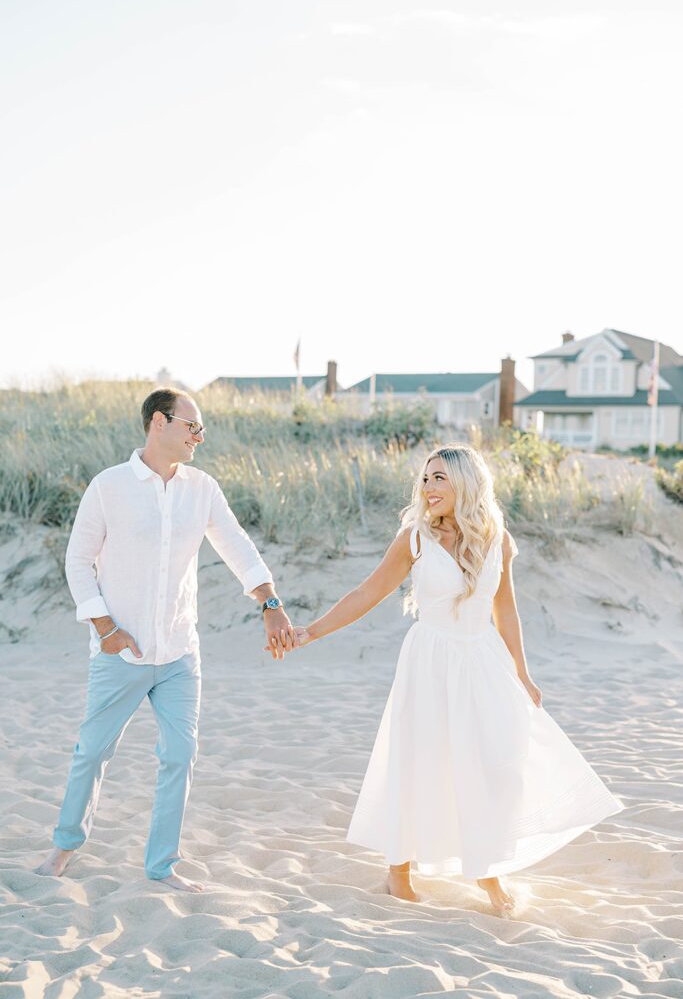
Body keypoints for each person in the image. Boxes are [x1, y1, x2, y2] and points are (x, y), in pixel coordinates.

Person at [293, 444, 624, 915]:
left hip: (482, 660)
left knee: (492, 765)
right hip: (429, 661)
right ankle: (399, 871)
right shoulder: (414, 538)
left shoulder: (496, 539)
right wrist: (311, 631)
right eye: (426, 478)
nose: (428, 488)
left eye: (440, 479)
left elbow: (504, 608)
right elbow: (368, 592)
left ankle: (487, 869)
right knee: (418, 761)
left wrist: (522, 672)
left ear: (467, 484)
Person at [35, 387, 297, 892]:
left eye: (201, 429)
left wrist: (270, 603)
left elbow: (238, 547)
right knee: (92, 752)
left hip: (179, 652)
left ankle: (161, 865)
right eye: (192, 426)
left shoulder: (202, 489)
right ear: (160, 422)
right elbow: (77, 562)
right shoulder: (108, 486)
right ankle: (64, 847)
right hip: (121, 653)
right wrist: (105, 629)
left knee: (180, 753)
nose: (199, 436)